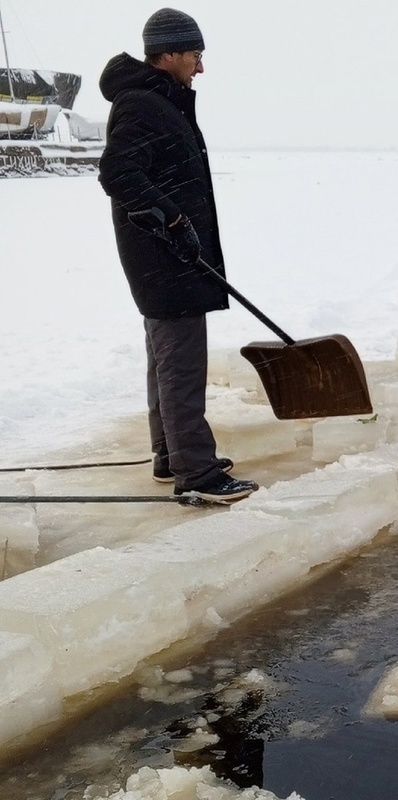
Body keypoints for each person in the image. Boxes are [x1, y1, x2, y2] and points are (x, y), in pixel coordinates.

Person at [98, 8, 257, 504]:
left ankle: (170, 455)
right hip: (164, 256)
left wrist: (176, 223)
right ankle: (197, 473)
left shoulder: (160, 100)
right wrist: (172, 221)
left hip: (166, 254)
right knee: (181, 363)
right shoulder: (144, 104)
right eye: (194, 55)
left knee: (165, 358)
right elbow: (118, 173)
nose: (200, 67)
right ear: (167, 54)